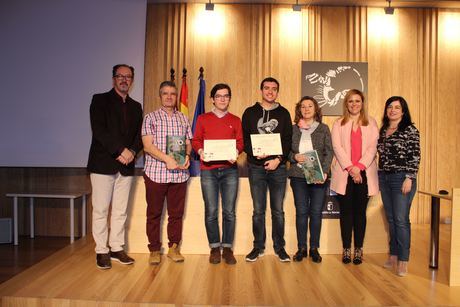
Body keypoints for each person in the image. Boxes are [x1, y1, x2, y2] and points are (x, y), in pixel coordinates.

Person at [87, 64, 143, 269]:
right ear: (113, 79)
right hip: (102, 164)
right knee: (101, 210)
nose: (124, 80)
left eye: (128, 77)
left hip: (127, 166)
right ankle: (101, 251)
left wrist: (133, 152)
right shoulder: (99, 100)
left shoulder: (136, 106)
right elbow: (99, 131)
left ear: (132, 80)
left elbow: (139, 136)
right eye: (120, 76)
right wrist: (120, 151)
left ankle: (117, 248)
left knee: (120, 211)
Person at [192, 83, 244, 265]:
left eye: (226, 96)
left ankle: (228, 248)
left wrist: (236, 152)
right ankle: (214, 247)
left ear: (229, 98)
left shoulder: (236, 120)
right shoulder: (202, 119)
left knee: (229, 211)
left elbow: (240, 142)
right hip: (208, 171)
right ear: (212, 99)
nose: (222, 99)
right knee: (211, 211)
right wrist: (200, 151)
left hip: (230, 170)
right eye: (219, 96)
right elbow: (196, 140)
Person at [242, 77, 293, 262]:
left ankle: (280, 248)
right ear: (261, 90)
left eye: (274, 89)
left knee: (278, 210)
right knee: (258, 210)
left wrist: (278, 159)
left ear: (277, 92)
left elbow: (288, 140)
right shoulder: (249, 112)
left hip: (278, 168)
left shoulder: (284, 113)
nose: (270, 91)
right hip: (256, 167)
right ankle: (258, 247)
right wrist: (257, 154)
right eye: (267, 88)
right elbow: (245, 139)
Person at [142, 81, 192, 265]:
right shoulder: (150, 118)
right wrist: (167, 159)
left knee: (176, 214)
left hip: (179, 175)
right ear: (160, 96)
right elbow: (147, 146)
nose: (169, 96)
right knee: (154, 214)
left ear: (176, 96)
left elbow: (188, 142)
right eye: (165, 93)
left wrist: (187, 155)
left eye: (172, 93)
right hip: (156, 174)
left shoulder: (183, 118)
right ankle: (154, 249)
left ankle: (174, 247)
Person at [330, 89, 379, 265]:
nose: (354, 104)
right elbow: (337, 147)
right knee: (346, 213)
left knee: (360, 213)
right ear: (346, 104)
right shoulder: (338, 123)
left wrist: (359, 168)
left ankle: (358, 249)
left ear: (362, 103)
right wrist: (351, 168)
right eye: (350, 101)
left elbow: (372, 148)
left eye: (357, 101)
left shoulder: (371, 123)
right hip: (345, 173)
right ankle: (346, 249)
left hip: (364, 173)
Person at [378, 96, 420, 277]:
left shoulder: (410, 130)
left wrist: (409, 177)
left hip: (402, 178)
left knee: (401, 219)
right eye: (390, 107)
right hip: (384, 178)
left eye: (397, 107)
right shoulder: (383, 130)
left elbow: (415, 155)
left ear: (403, 111)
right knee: (391, 219)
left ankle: (403, 260)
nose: (392, 110)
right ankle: (393, 254)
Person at [288, 96, 333, 263]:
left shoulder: (323, 128)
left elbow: (329, 151)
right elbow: (285, 150)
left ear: (316, 110)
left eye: (310, 106)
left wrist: (325, 171)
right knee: (301, 212)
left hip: (318, 176)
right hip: (298, 176)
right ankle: (301, 248)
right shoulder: (293, 129)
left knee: (315, 213)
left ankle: (314, 248)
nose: (306, 109)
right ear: (299, 110)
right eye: (303, 107)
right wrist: (294, 156)